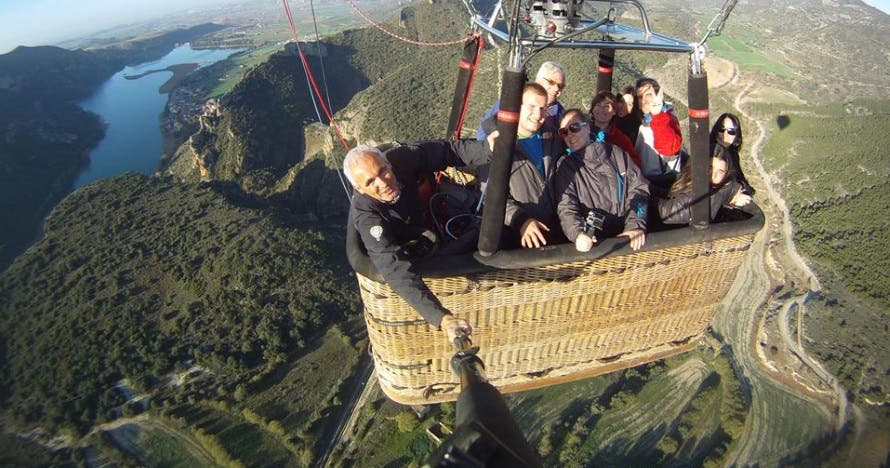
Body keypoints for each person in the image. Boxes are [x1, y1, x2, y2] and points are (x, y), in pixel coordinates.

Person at [345, 140, 490, 340]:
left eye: (383, 171)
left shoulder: (403, 158)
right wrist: (442, 318)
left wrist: (490, 148)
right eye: (370, 182)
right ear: (359, 189)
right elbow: (394, 268)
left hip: (423, 219)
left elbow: (446, 152)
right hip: (407, 242)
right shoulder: (368, 218)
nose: (382, 182)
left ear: (389, 163)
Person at [484, 83, 567, 249]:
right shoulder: (497, 144)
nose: (538, 115)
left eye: (543, 108)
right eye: (531, 106)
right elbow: (490, 196)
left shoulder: (553, 137)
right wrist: (521, 221)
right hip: (518, 236)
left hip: (556, 227)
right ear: (517, 107)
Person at [554, 109, 649, 252]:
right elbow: (567, 206)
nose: (570, 135)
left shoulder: (616, 154)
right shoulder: (566, 167)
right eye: (564, 132)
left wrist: (635, 225)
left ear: (587, 126)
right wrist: (578, 234)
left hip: (627, 240)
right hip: (596, 245)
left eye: (574, 127)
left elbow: (639, 189)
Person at [657, 144, 752, 224]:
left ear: (726, 174)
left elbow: (666, 213)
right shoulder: (689, 179)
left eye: (721, 171)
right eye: (710, 167)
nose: (713, 174)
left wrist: (645, 197)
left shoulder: (703, 195)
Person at [476, 61, 567, 140]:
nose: (556, 89)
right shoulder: (514, 100)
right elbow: (484, 130)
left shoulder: (559, 112)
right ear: (538, 80)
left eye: (560, 86)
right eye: (551, 82)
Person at [634, 78, 683, 181]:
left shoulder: (667, 118)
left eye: (648, 95)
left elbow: (670, 149)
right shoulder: (645, 119)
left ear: (658, 96)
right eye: (639, 97)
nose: (643, 100)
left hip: (662, 184)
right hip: (646, 182)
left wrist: (657, 115)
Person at [588, 90, 641, 168]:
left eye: (606, 106)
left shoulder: (621, 139)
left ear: (614, 111)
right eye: (598, 105)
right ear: (592, 110)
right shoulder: (582, 133)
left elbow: (636, 164)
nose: (602, 109)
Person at [710, 112, 755, 195]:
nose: (725, 134)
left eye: (731, 131)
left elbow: (739, 177)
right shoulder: (711, 153)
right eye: (721, 129)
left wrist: (746, 187)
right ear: (716, 131)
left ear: (737, 134)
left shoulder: (732, 154)